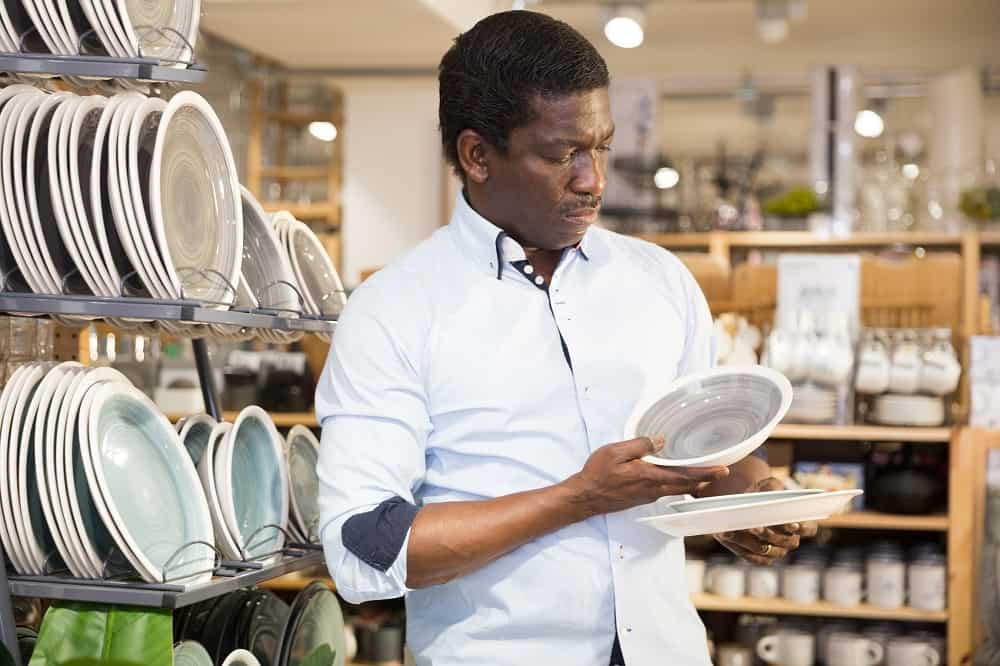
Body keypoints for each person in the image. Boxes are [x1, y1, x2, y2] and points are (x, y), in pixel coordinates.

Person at [316, 10, 816, 666]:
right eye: (561, 155)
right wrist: (577, 498)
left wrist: (751, 500)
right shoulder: (394, 310)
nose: (593, 180)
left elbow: (707, 458)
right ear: (477, 155)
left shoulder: (661, 282)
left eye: (601, 146)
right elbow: (364, 546)